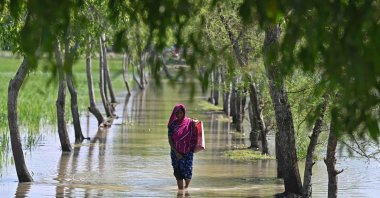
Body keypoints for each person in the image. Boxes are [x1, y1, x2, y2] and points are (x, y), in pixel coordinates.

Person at [168, 104, 197, 190]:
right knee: (178, 172)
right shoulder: (172, 125)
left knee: (188, 172)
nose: (179, 115)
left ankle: (186, 188)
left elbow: (195, 133)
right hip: (175, 152)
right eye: (177, 113)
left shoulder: (190, 122)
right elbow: (170, 140)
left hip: (188, 151)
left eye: (180, 113)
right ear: (174, 114)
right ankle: (180, 191)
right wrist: (176, 153)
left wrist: (195, 125)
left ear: (184, 113)